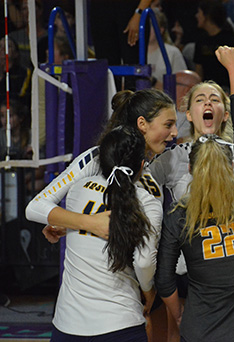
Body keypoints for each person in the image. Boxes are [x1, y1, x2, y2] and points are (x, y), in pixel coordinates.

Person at [155, 45, 234, 342]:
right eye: (200, 98)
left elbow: (160, 279)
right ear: (188, 112)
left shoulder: (178, 215)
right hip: (204, 282)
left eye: (214, 98)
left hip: (200, 309)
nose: (207, 103)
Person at [29, 126, 162, 341]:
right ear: (141, 166)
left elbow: (37, 208)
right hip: (120, 322)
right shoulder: (147, 200)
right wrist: (149, 293)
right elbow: (144, 262)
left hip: (67, 325)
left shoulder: (78, 189)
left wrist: (77, 223)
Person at [26, 87, 176, 244]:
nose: (175, 132)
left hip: (139, 265)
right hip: (99, 266)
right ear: (142, 124)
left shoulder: (156, 164)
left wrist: (78, 224)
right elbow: (35, 207)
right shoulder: (98, 158)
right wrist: (86, 223)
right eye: (168, 125)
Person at [193, 0, 234, 91]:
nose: (196, 16)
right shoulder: (201, 40)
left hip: (226, 90)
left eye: (199, 12)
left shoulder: (230, 41)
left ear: (207, 16)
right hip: (206, 89)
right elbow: (198, 71)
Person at [147, 8, 187, 90]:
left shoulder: (172, 53)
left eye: (150, 26)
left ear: (161, 30)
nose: (146, 30)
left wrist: (153, 82)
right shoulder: (132, 54)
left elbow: (181, 87)